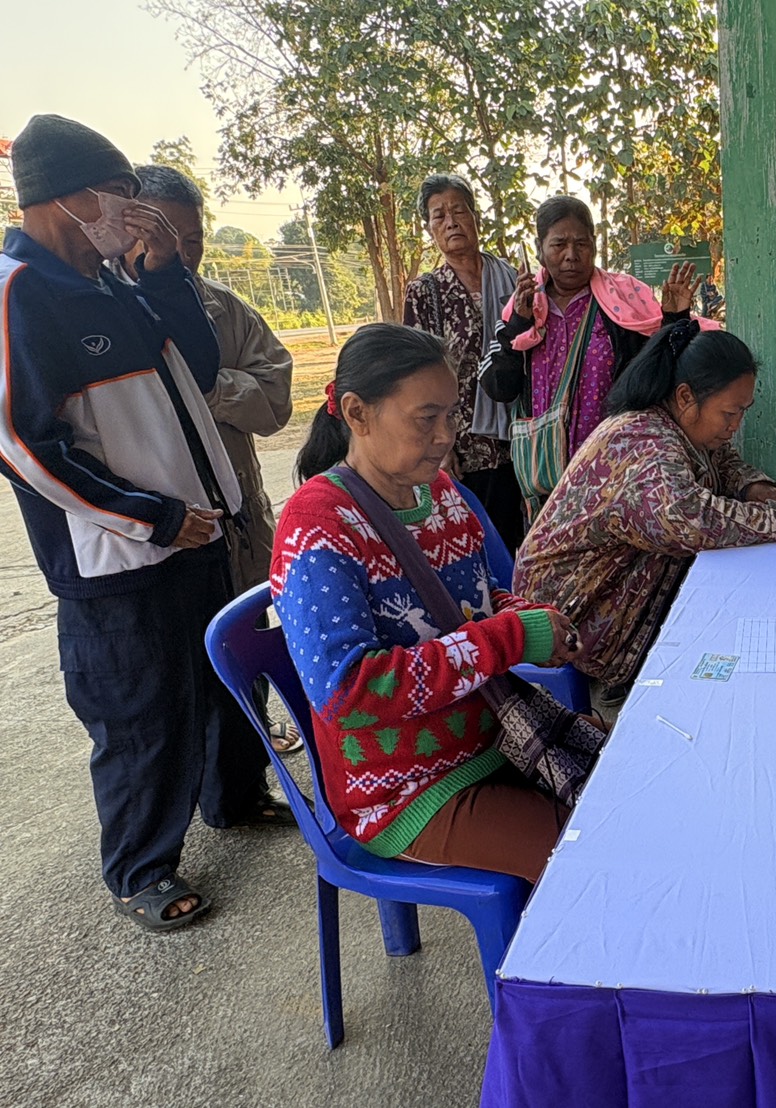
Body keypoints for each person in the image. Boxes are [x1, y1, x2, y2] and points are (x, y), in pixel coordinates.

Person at [0, 115, 283, 933]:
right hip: (121, 557)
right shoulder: (19, 292)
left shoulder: (118, 281)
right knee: (140, 713)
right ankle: (140, 868)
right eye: (116, 193)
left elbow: (199, 367)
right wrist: (149, 517)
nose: (129, 211)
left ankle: (234, 797)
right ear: (63, 196)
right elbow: (21, 442)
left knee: (221, 677)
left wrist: (162, 276)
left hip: (199, 528)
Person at [273, 324, 583, 879]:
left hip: (497, 735)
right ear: (357, 413)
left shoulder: (440, 493)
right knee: (588, 862)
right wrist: (512, 638)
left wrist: (526, 617)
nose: (445, 437)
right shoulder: (317, 525)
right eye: (426, 418)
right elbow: (347, 691)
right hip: (402, 789)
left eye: (451, 416)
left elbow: (478, 601)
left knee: (626, 799)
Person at [515, 321, 776, 718]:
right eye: (730, 412)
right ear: (686, 396)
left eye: (743, 412)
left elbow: (720, 461)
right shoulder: (642, 442)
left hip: (607, 596)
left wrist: (755, 489)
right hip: (571, 617)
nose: (735, 425)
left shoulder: (675, 425)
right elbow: (690, 522)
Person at [128, 163, 301, 756]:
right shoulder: (108, 312)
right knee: (177, 666)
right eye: (162, 236)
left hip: (239, 520)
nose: (180, 253)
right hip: (160, 527)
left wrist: (207, 387)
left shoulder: (227, 311)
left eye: (192, 239)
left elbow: (275, 401)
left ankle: (254, 748)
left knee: (244, 636)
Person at [481, 195, 710, 498]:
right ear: (539, 250)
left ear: (594, 246)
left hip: (614, 467)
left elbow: (658, 373)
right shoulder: (522, 308)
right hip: (545, 475)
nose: (571, 255)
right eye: (559, 244)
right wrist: (519, 324)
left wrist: (673, 318)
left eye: (582, 244)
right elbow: (498, 387)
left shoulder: (621, 303)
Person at [402, 173, 523, 557]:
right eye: (439, 216)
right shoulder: (425, 293)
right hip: (467, 446)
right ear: (430, 229)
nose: (451, 222)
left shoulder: (514, 280)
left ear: (475, 217)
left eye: (459, 211)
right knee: (483, 545)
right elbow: (418, 376)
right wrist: (438, 444)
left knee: (527, 540)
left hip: (523, 438)